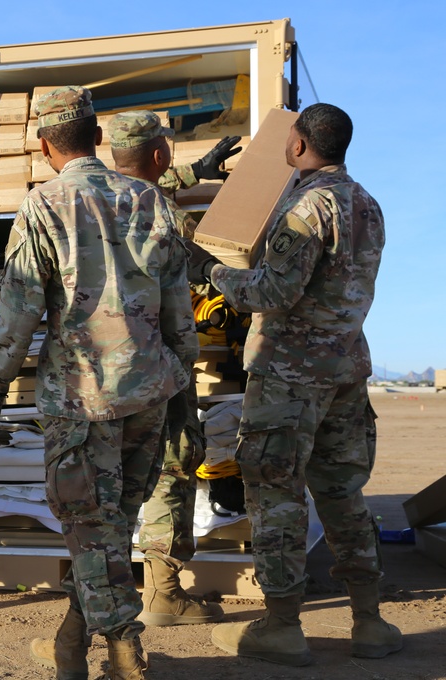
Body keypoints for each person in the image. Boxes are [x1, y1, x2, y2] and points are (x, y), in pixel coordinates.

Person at [0, 87, 198, 680]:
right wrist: (185, 401)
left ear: (45, 144)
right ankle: (71, 646)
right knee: (108, 532)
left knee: (91, 532)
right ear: (99, 137)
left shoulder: (44, 205)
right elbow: (181, 314)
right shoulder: (154, 203)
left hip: (84, 399)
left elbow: (18, 315)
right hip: (150, 395)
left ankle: (126, 653)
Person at [185, 103, 401, 666]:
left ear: (301, 146)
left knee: (276, 492)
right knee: (341, 493)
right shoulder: (368, 206)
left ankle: (281, 625)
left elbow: (271, 294)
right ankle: (370, 621)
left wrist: (207, 271)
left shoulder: (307, 208)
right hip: (346, 371)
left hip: (289, 375)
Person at [109, 110, 239, 627]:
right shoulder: (165, 214)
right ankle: (163, 593)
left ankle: (101, 597)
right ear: (161, 154)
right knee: (170, 469)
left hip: (98, 370)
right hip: (159, 366)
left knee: (108, 482)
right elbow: (192, 279)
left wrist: (194, 171)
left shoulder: (87, 204)